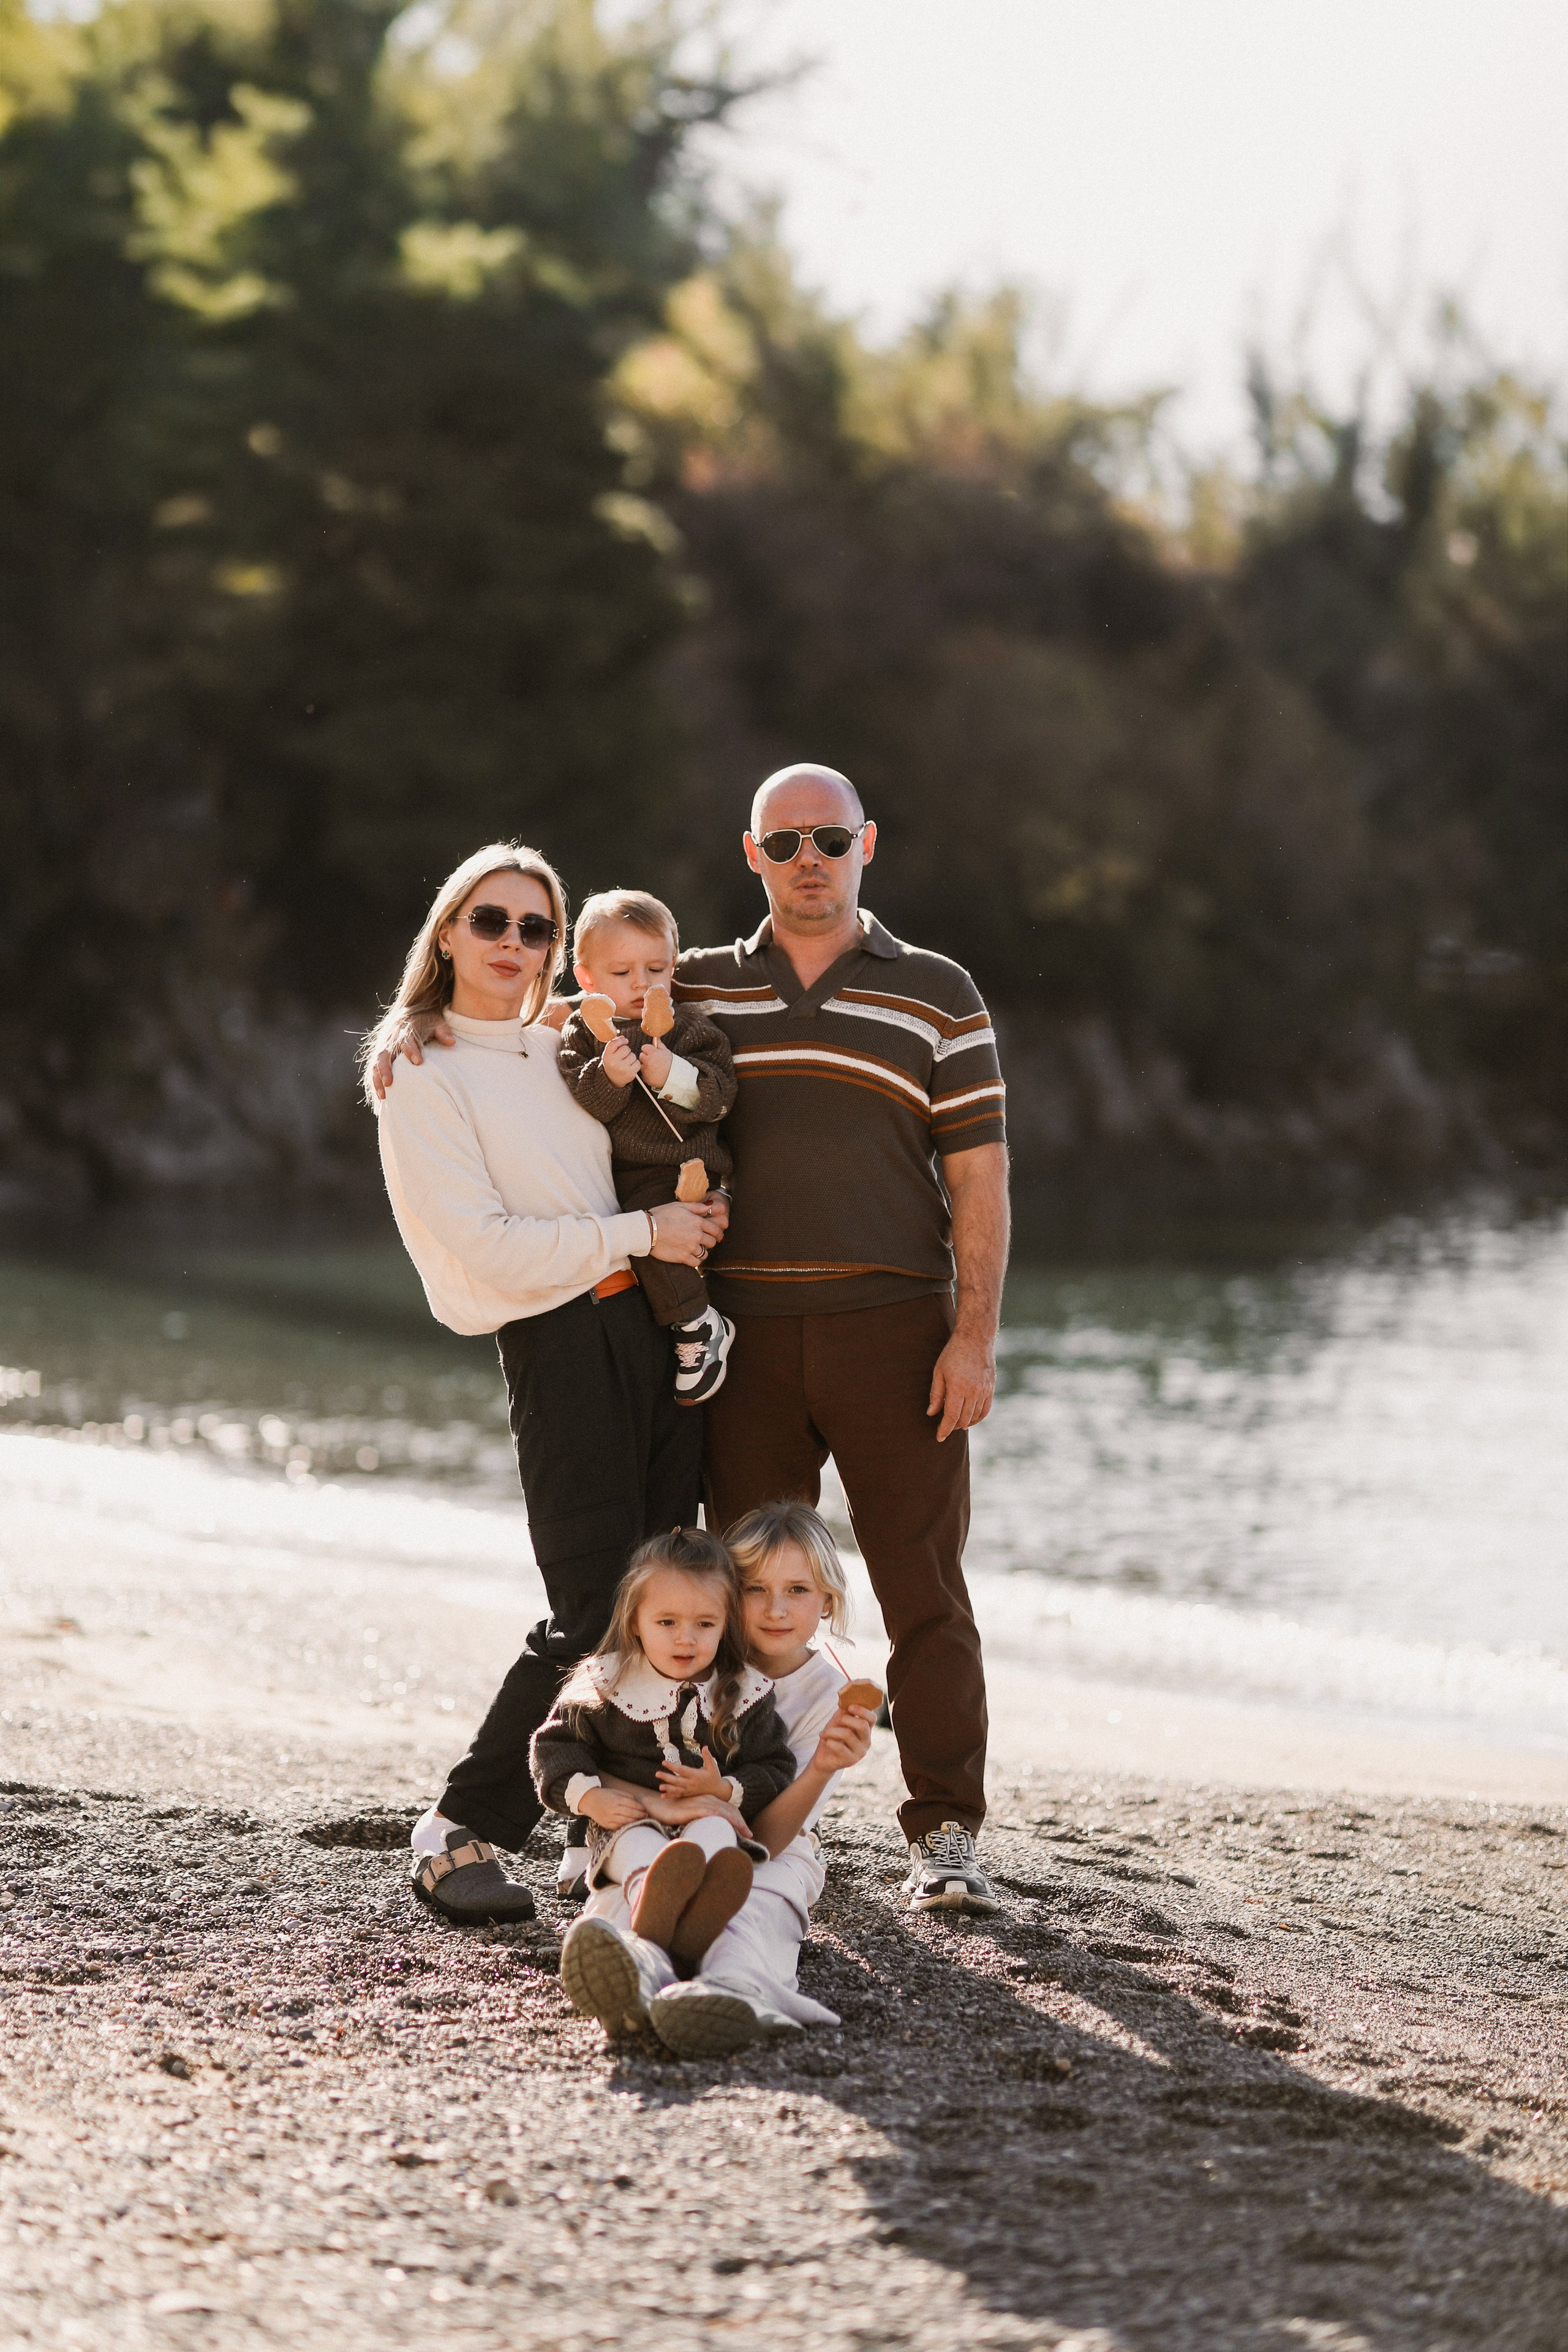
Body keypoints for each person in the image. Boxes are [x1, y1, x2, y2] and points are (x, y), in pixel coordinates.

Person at [375, 764, 1009, 1917]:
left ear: (867, 843)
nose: (807, 859)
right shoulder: (636, 999)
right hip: (656, 1341)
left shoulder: (922, 992)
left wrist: (974, 1335)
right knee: (650, 1605)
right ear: (751, 855)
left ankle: (900, 1828)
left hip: (784, 1334)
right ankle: (557, 1816)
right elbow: (507, 1162)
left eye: (827, 838)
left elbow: (978, 1180)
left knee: (819, 1591)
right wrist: (411, 1035)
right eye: (783, 843)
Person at [365, 840, 727, 1926]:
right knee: (589, 1606)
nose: (512, 944)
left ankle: (607, 1831)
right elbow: (484, 1252)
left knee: (663, 1592)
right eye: (490, 921)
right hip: (557, 1338)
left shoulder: (568, 1039)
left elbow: (659, 998)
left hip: (655, 1329)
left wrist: (684, 1230)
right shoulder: (421, 1072)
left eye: (534, 927)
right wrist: (644, 1229)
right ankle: (457, 1828)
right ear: (447, 931)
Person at [559, 1501, 878, 2056]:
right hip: (660, 1831)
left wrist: (823, 1765)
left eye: (798, 1590)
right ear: (728, 1595)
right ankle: (638, 1973)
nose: (776, 1609)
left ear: (828, 1599)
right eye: (756, 1588)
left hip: (768, 1844)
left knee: (751, 1901)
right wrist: (662, 1809)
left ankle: (734, 1990)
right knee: (628, 1893)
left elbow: (771, 1837)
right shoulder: (685, 1654)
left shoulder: (829, 1694)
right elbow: (597, 1751)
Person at [532, 1527, 797, 1971]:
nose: (685, 1639)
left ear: (726, 1624)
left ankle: (703, 1912)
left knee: (714, 1828)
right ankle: (649, 1903)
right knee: (636, 1842)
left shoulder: (743, 1691)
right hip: (627, 1817)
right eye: (667, 1622)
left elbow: (775, 1766)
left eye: (705, 1624)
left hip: (702, 1816)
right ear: (635, 1619)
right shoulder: (607, 1682)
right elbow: (553, 1746)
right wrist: (592, 1799)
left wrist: (726, 1788)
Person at [556, 889, 737, 1404]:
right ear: (585, 977)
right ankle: (686, 1320)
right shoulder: (584, 1033)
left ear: (673, 966)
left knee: (654, 1226)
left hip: (687, 1164)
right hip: (620, 1172)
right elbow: (583, 1097)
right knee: (636, 1234)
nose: (641, 984)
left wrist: (674, 1075)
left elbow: (721, 1096)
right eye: (621, 973)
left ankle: (697, 1326)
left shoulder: (692, 1030)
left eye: (656, 969)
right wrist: (608, 1077)